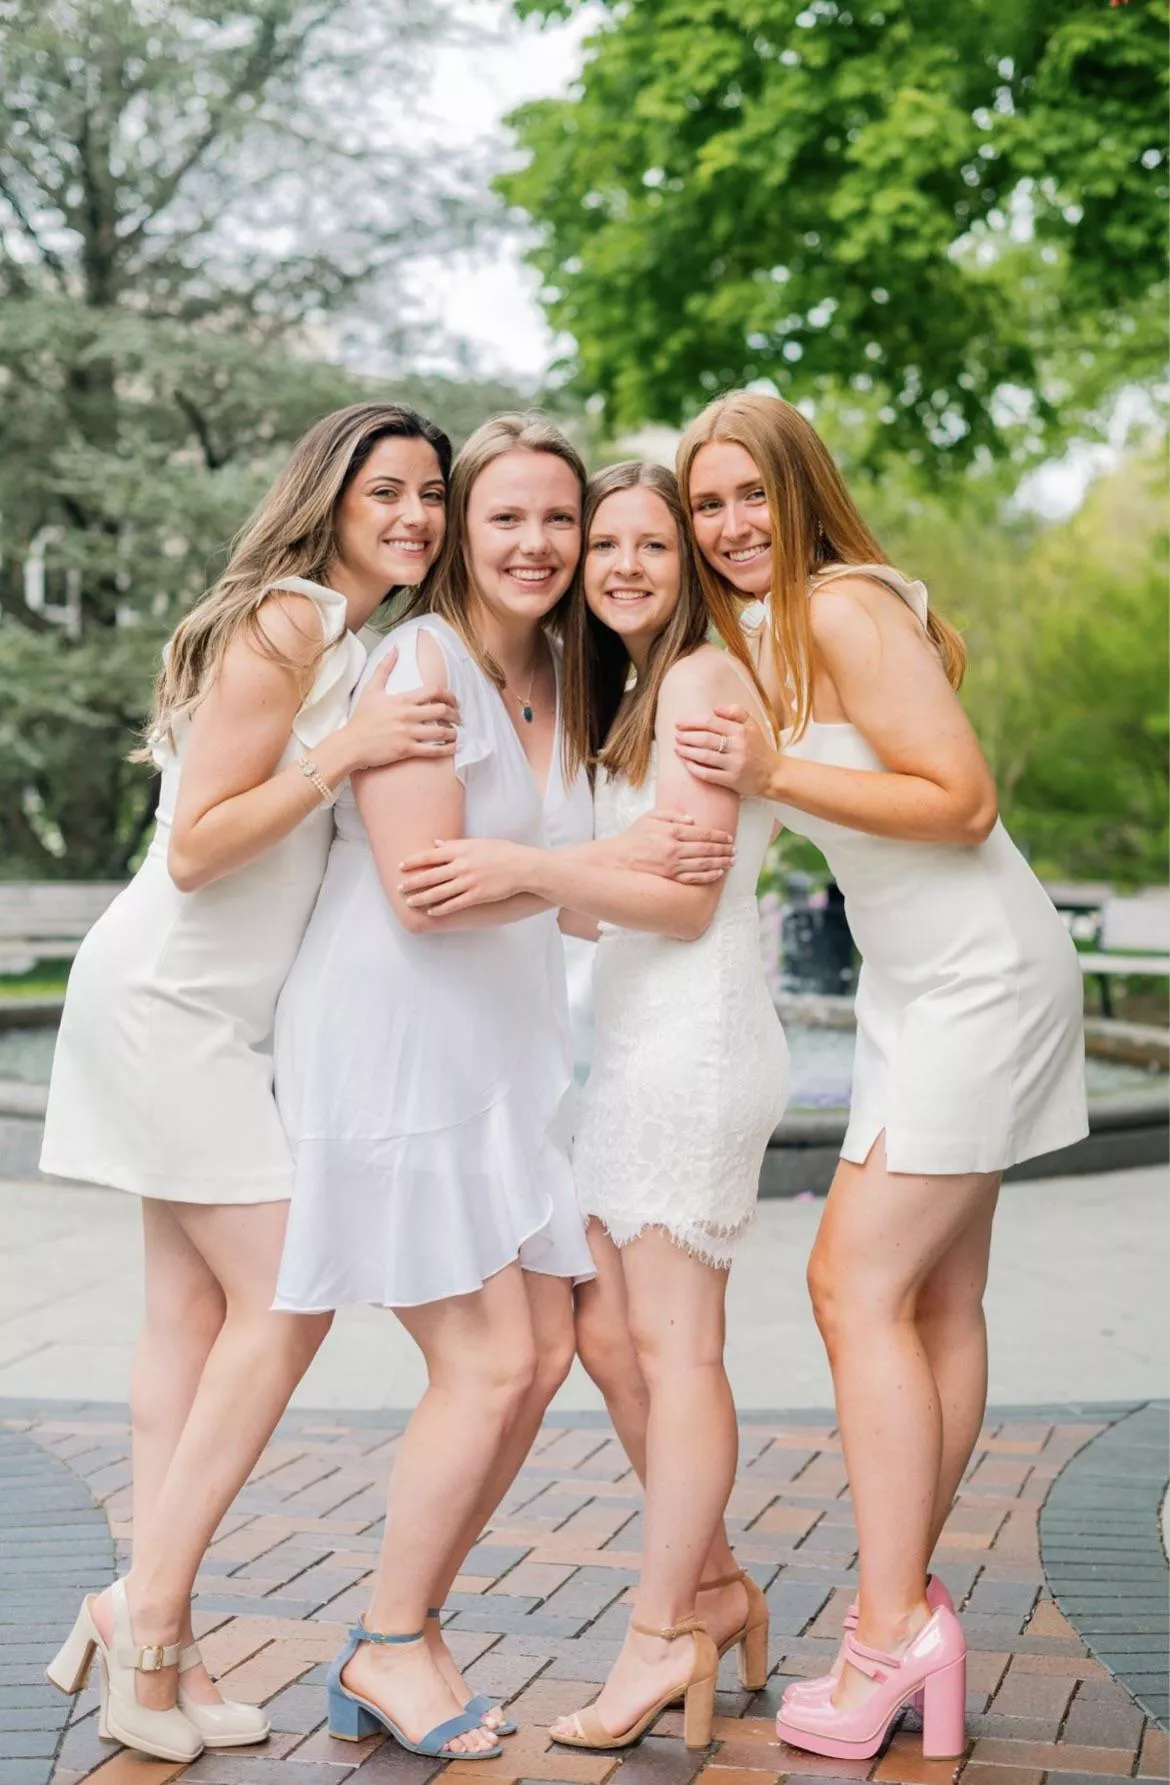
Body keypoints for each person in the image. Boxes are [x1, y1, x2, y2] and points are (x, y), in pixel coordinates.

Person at [270, 419, 734, 1760]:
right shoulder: (425, 665)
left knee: (536, 1361)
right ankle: (388, 1642)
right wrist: (591, 868)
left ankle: (410, 1632)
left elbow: (569, 908)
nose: (539, 547)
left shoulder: (564, 676)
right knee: (485, 1365)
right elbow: (429, 893)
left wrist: (605, 871)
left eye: (561, 524)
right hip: (399, 1048)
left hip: (502, 1058)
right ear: (463, 532)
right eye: (506, 521)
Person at [672, 391, 1088, 1763]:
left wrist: (776, 764)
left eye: (751, 497)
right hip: (917, 983)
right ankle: (904, 1605)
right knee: (935, 1297)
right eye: (705, 504)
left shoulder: (845, 606)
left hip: (975, 972)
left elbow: (960, 800)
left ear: (801, 494)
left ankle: (887, 1627)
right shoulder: (758, 633)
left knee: (847, 1282)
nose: (730, 527)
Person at [41, 403, 460, 1763]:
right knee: (288, 1296)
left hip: (203, 1014)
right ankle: (141, 1611)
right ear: (326, 499)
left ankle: (161, 1655)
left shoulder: (331, 634)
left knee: (186, 1323)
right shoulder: (290, 621)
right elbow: (198, 850)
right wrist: (347, 757)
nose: (415, 514)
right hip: (169, 1000)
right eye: (385, 489)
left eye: (431, 494)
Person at [398, 460, 790, 1752]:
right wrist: (567, 868)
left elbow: (678, 902)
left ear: (688, 567)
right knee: (613, 1344)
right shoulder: (615, 694)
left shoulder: (697, 679)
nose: (619, 565)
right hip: (626, 1039)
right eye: (603, 542)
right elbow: (584, 902)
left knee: (675, 1349)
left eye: (651, 547)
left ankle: (660, 1631)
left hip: (697, 1039)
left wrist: (520, 859)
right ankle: (719, 1583)